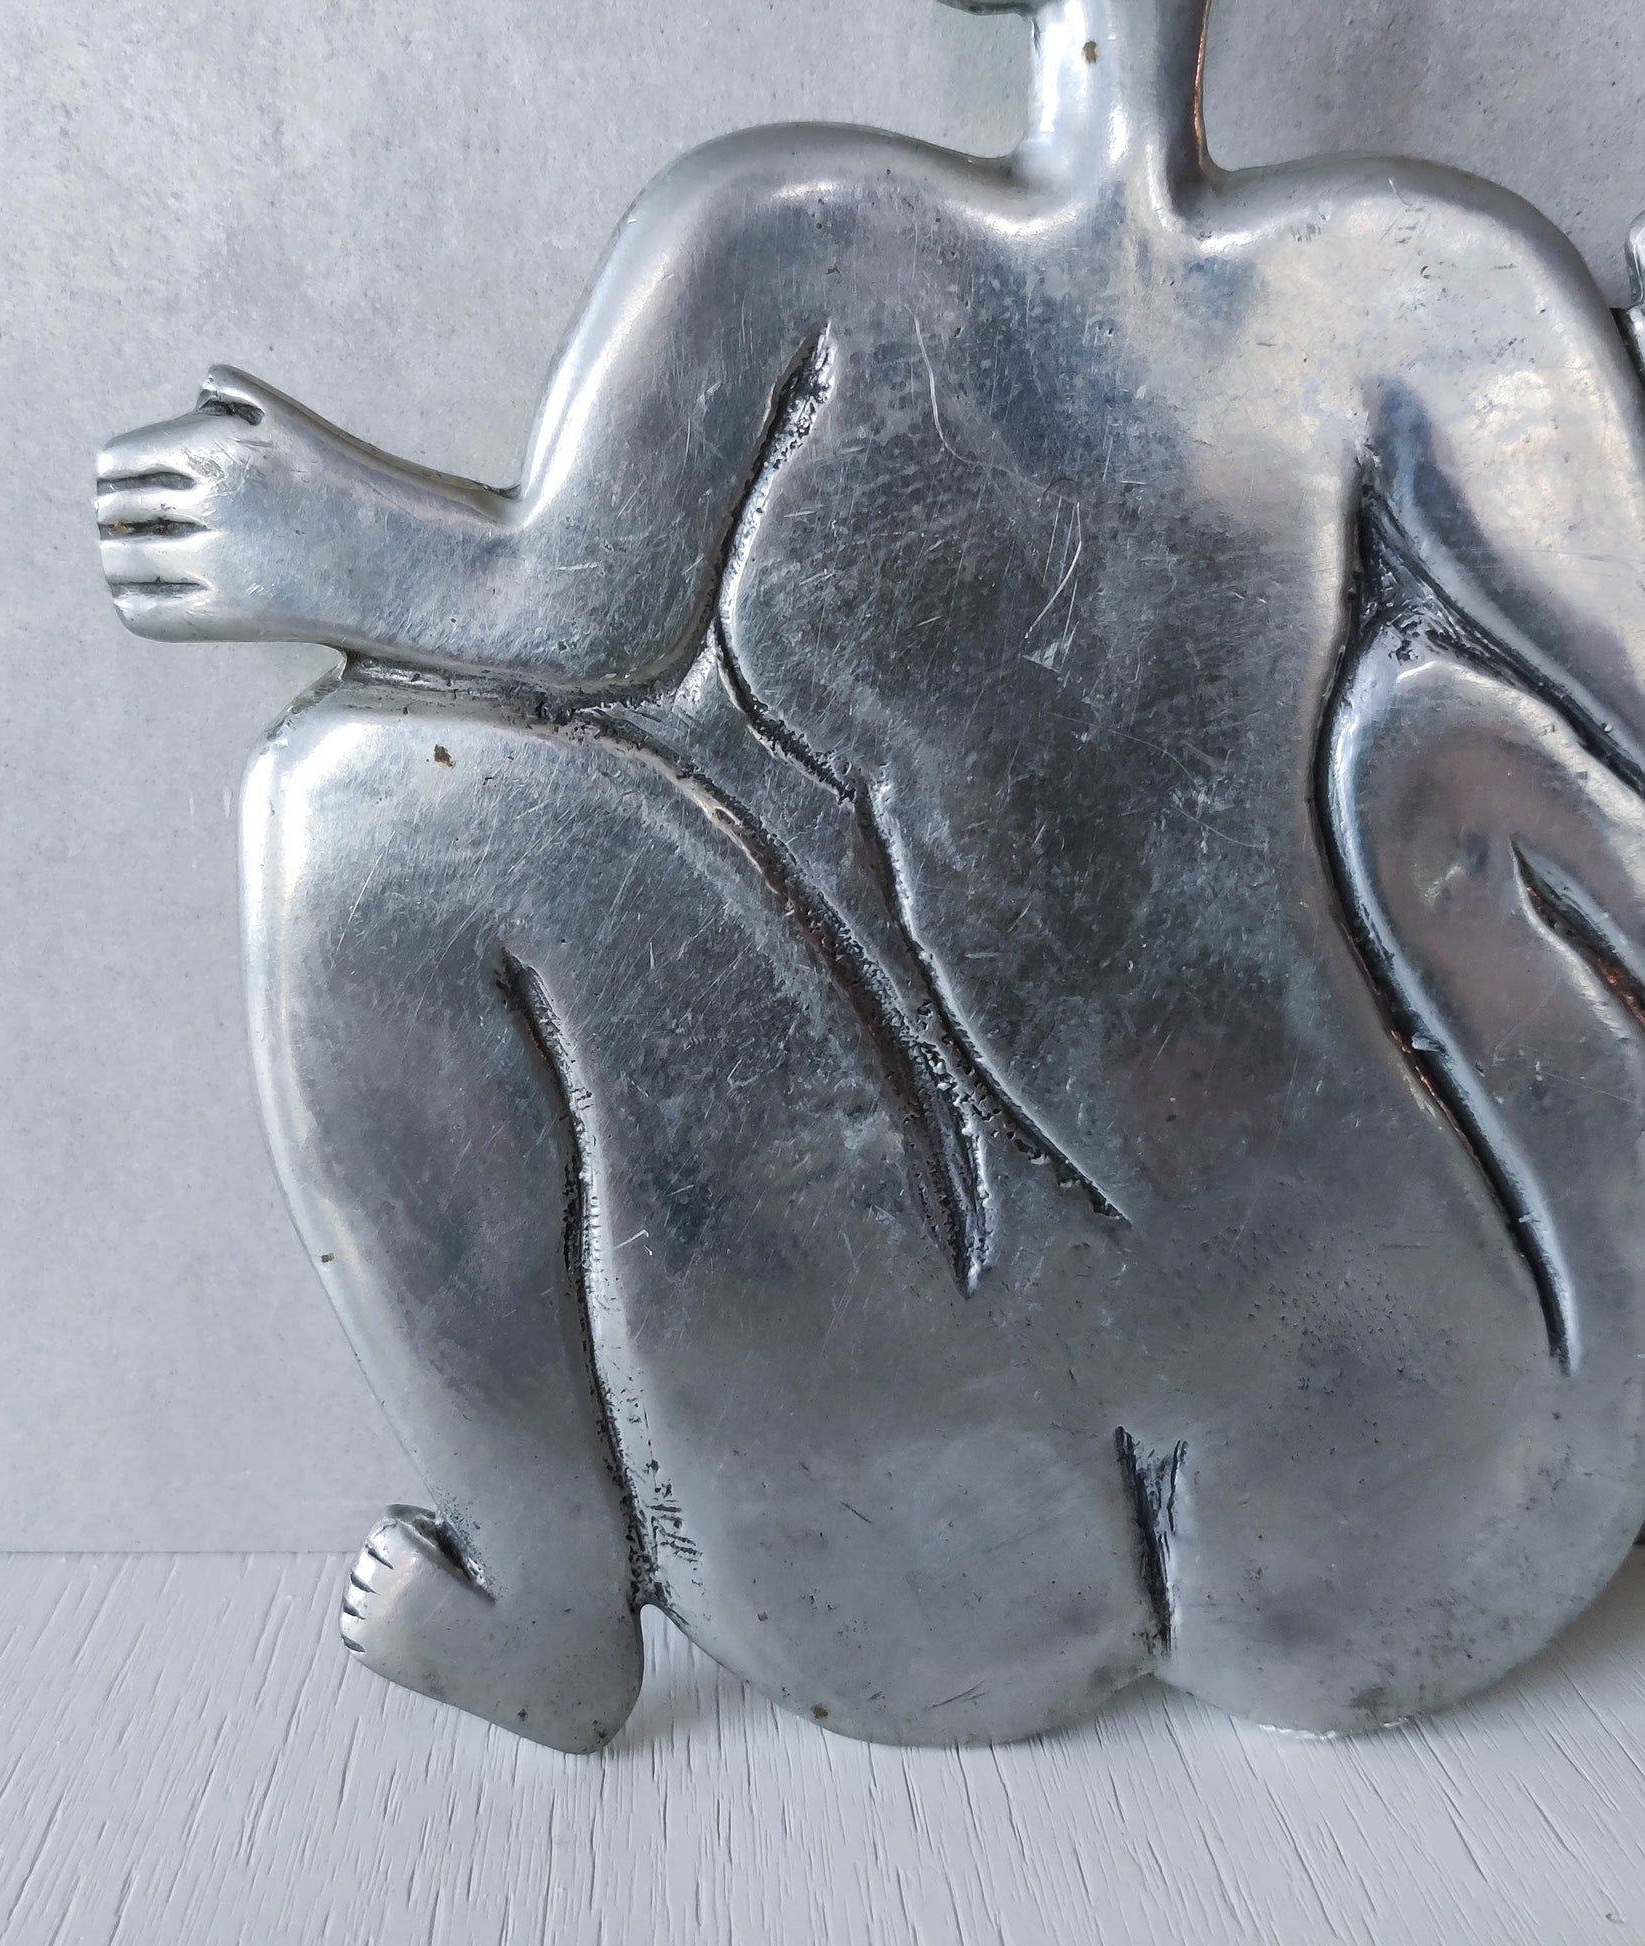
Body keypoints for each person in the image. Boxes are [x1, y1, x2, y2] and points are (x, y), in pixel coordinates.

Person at [98, 0, 1645, 1751]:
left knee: (360, 810)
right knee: (366, 798)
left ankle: (539, 1587)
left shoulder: (817, 242)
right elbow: (582, 618)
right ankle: (549, 1596)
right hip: (1279, 1471)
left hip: (1346, 1449)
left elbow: (566, 615)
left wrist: (314, 537)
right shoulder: (1408, 278)